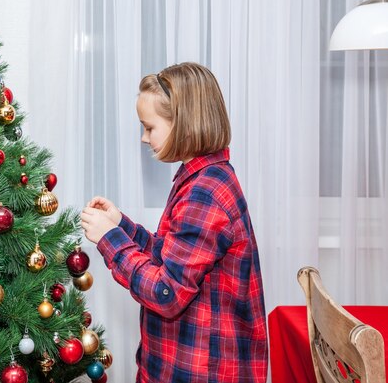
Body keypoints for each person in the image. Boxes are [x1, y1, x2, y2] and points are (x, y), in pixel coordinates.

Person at [80, 63, 267, 383]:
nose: (143, 137)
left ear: (183, 123)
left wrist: (111, 240)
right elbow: (177, 256)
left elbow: (166, 292)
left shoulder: (205, 193)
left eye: (149, 127)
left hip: (200, 372)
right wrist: (123, 226)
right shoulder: (202, 177)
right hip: (177, 363)